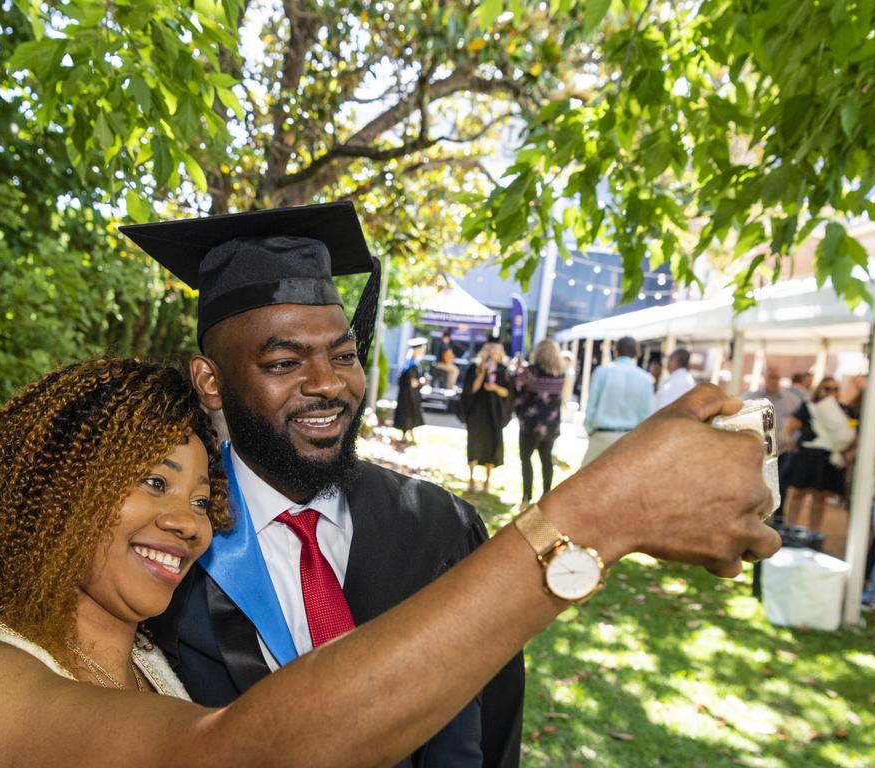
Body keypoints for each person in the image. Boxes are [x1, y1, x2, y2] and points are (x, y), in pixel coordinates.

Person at [0, 355, 782, 767]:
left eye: (199, 495)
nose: (186, 521)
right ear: (51, 492)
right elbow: (241, 757)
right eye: (150, 480)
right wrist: (597, 515)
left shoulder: (145, 667)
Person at [123, 202, 525, 767]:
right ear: (210, 381)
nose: (329, 384)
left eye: (344, 355)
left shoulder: (439, 530)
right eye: (285, 363)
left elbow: (495, 728)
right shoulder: (166, 546)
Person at [783, 377, 853, 531]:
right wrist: (789, 441)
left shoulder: (845, 410)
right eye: (827, 388)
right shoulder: (809, 407)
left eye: (835, 389)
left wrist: (850, 452)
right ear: (819, 389)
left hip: (827, 458)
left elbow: (854, 431)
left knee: (820, 497)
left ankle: (813, 533)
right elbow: (791, 424)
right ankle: (789, 530)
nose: (831, 392)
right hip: (806, 455)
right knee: (798, 493)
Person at [582, 336, 654, 466]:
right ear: (636, 353)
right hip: (629, 438)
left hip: (601, 435)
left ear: (616, 351)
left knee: (585, 482)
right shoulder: (646, 379)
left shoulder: (602, 371)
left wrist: (589, 429)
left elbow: (591, 404)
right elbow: (646, 414)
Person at [512, 339, 565, 508]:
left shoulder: (530, 372)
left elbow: (514, 383)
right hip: (551, 425)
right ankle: (546, 496)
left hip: (531, 424)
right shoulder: (560, 373)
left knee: (526, 459)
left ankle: (526, 498)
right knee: (546, 460)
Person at [462, 341, 513, 493]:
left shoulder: (504, 371)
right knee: (475, 443)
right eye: (491, 351)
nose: (493, 354)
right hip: (477, 412)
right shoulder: (475, 368)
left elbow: (508, 394)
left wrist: (495, 388)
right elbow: (471, 389)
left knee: (492, 444)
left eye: (497, 351)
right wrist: (482, 373)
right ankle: (471, 479)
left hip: (495, 413)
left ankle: (487, 481)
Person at [394, 338, 427, 442]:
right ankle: (408, 437)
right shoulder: (413, 365)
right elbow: (413, 383)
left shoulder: (408, 363)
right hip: (409, 396)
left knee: (407, 415)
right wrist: (423, 381)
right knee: (409, 414)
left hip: (405, 395)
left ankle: (408, 436)